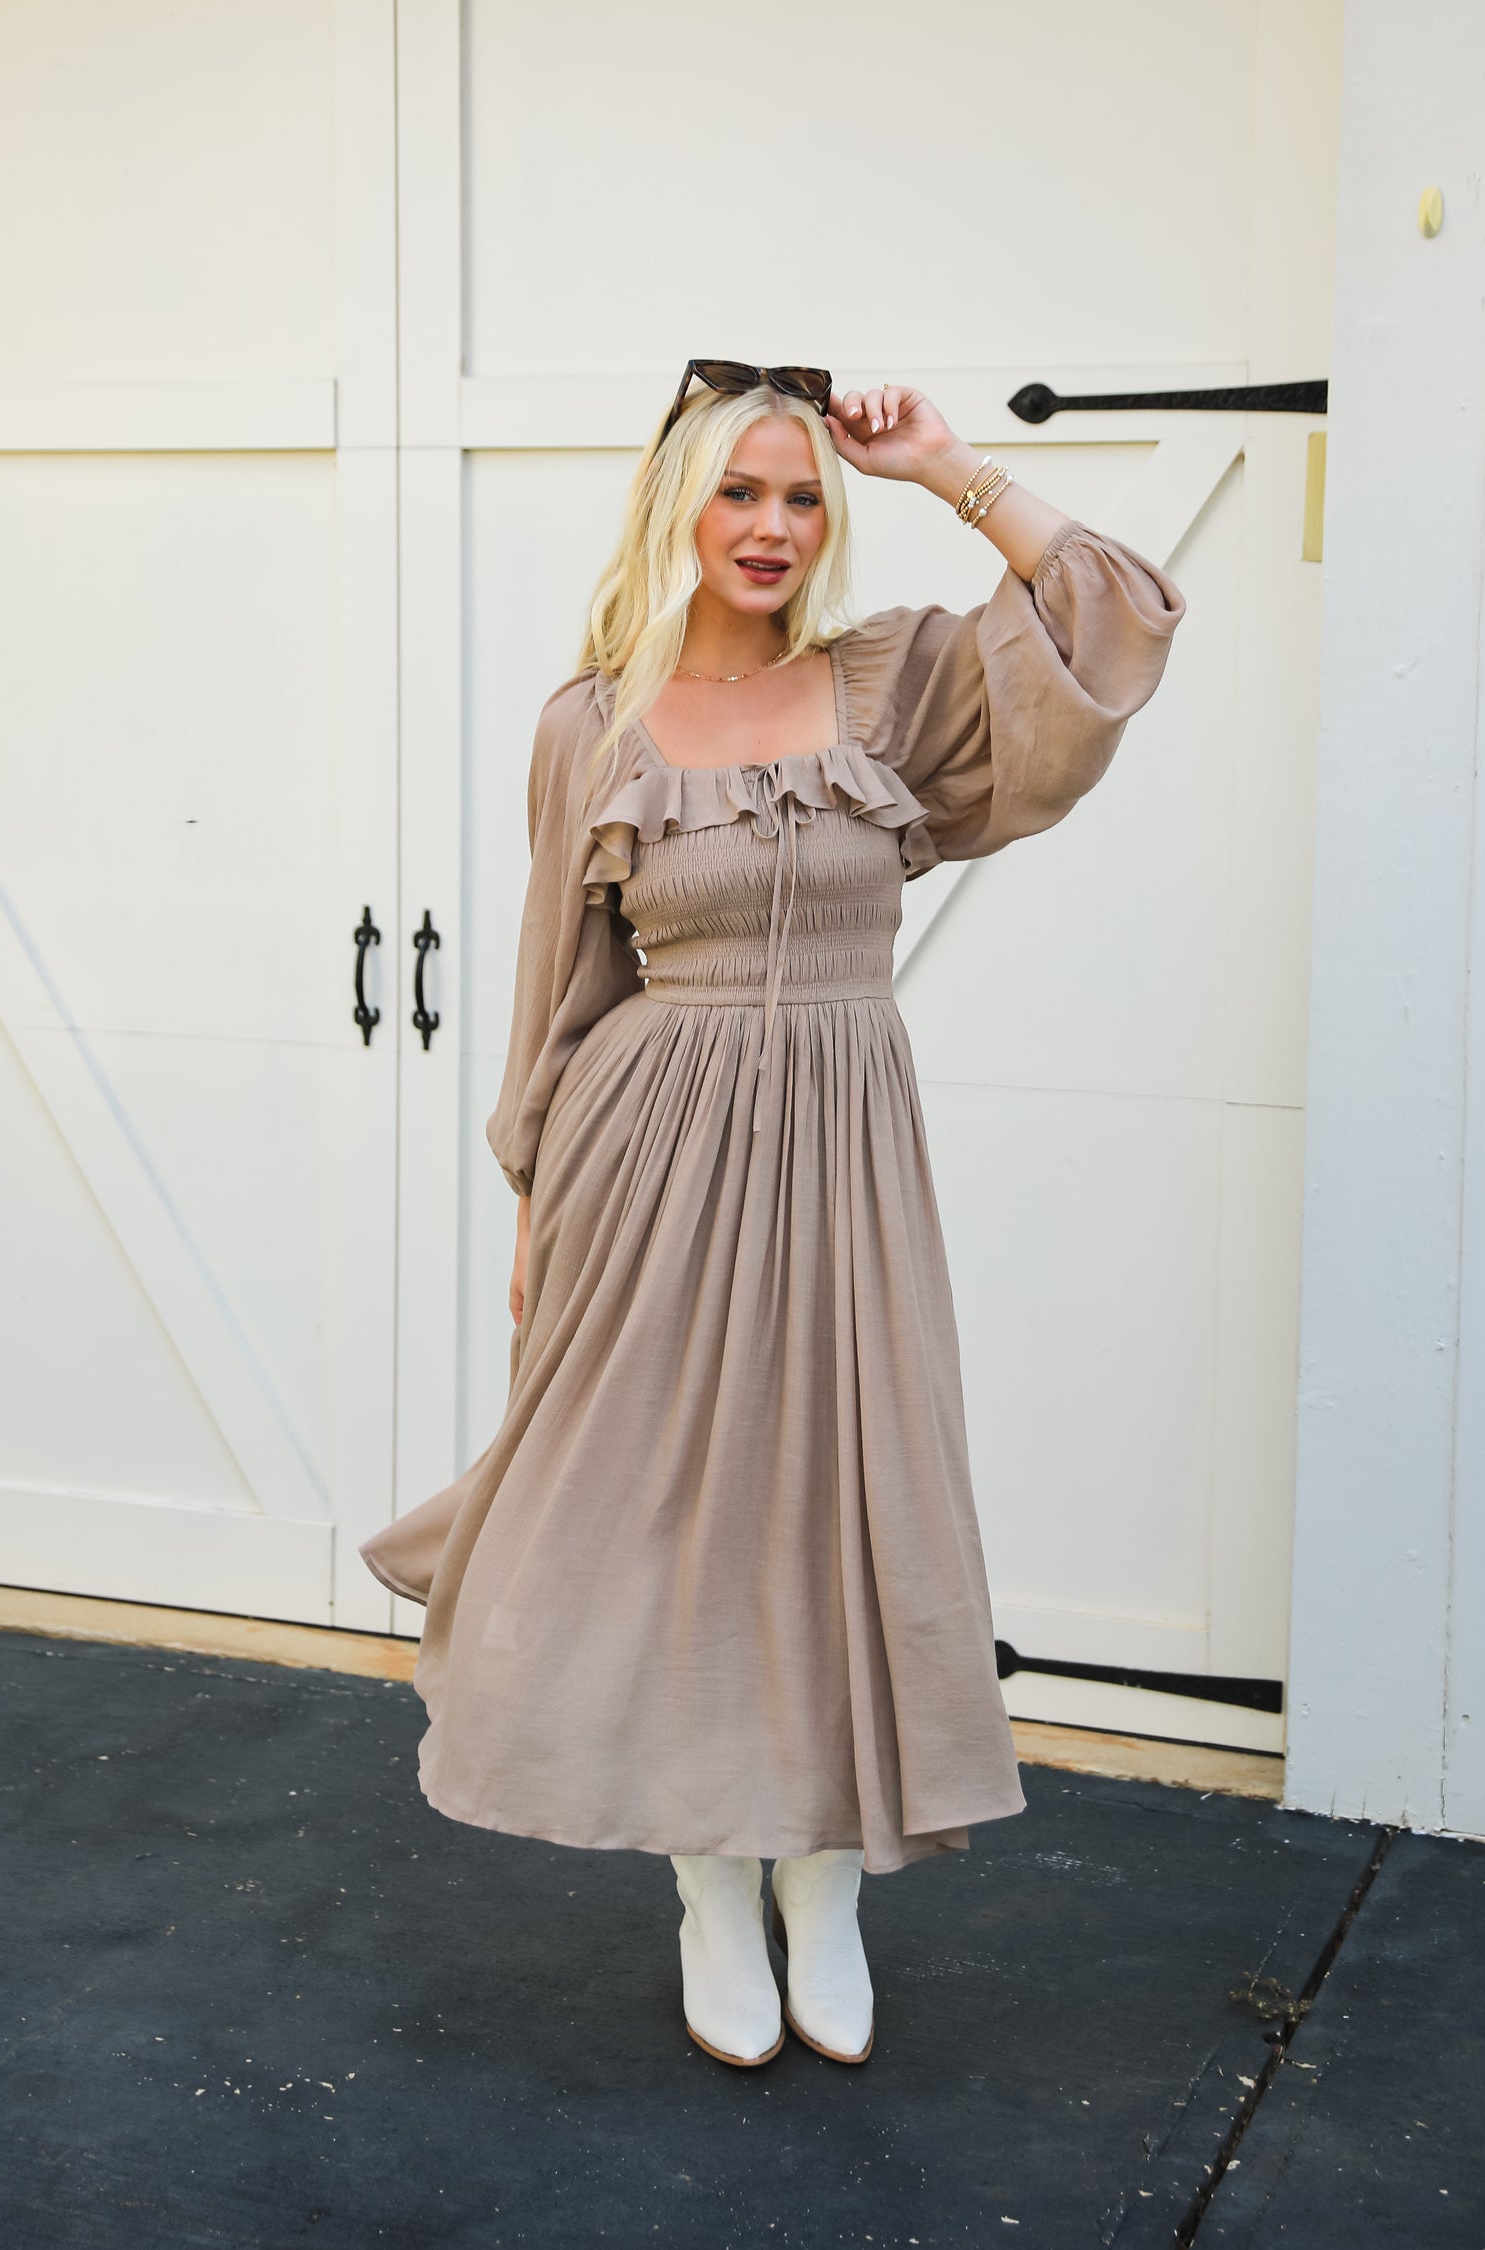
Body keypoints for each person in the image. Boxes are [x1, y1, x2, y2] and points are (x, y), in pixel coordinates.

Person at [360, 361, 1187, 2070]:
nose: (772, 526)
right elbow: (557, 985)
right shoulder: (587, 722)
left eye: (801, 496)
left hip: (847, 1150)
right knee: (671, 1529)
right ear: (679, 504)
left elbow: (1110, 622)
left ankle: (826, 1887)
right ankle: (708, 1891)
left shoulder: (887, 684)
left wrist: (953, 465)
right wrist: (534, 1200)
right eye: (740, 491)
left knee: (845, 1503)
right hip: (641, 1161)